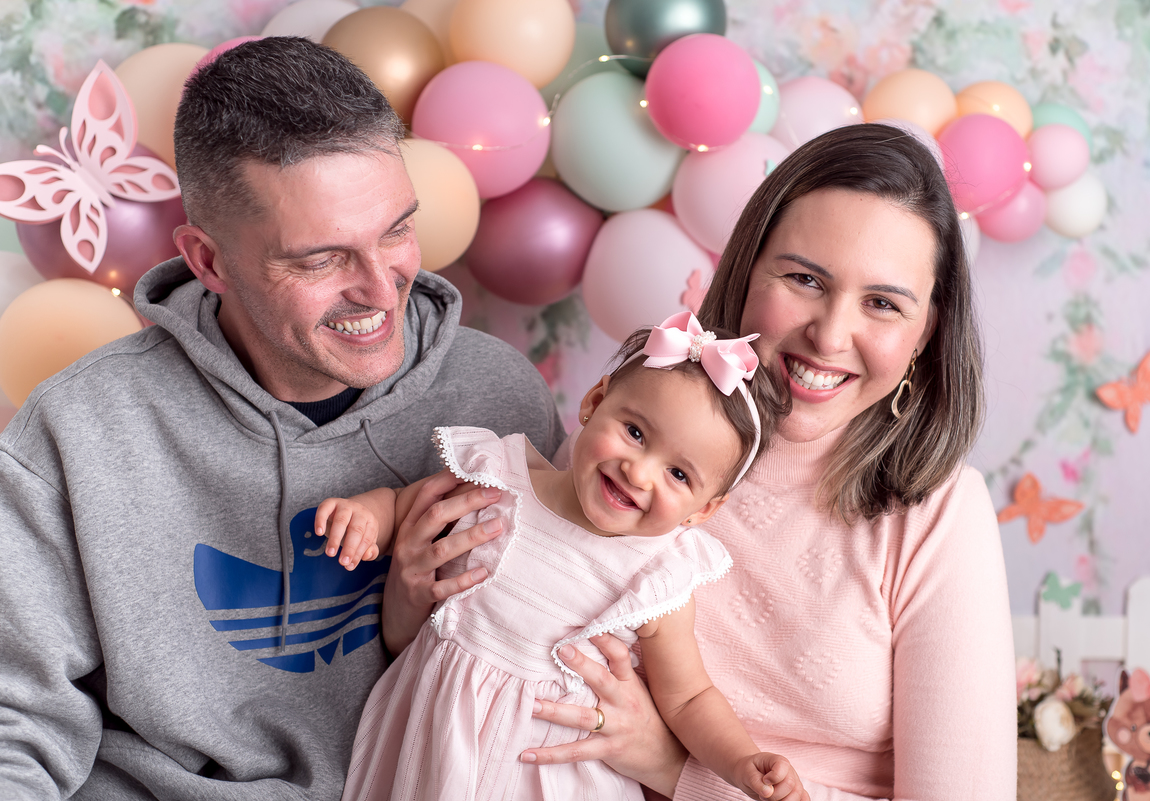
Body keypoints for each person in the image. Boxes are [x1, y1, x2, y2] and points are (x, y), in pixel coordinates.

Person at [0, 37, 562, 800]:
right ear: (208, 261)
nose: (381, 290)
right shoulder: (78, 431)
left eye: (396, 230)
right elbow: (14, 725)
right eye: (321, 259)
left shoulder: (497, 399)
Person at [385, 124, 1017, 800]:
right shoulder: (635, 435)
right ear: (745, 273)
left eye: (883, 304)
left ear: (925, 334)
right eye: (805, 278)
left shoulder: (940, 516)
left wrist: (670, 767)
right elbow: (476, 660)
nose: (830, 335)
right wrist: (411, 594)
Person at [317, 313, 806, 801]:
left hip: (551, 777)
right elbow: (406, 508)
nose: (638, 473)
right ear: (594, 402)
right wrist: (367, 516)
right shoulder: (497, 477)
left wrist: (739, 761)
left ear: (703, 510)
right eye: (635, 433)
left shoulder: (654, 578)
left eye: (678, 474)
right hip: (433, 740)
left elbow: (689, 698)